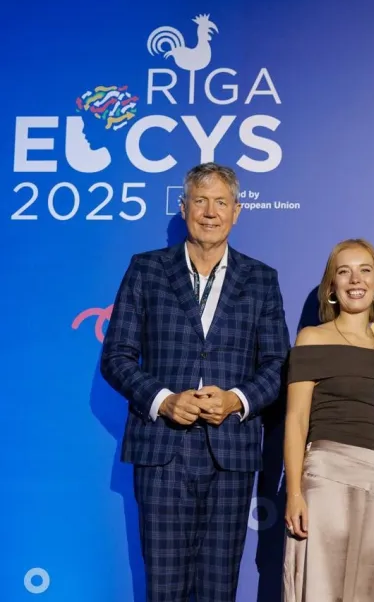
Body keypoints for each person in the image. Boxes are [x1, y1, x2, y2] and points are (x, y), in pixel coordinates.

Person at [100, 162, 290, 602]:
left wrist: (237, 399)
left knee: (219, 587)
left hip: (231, 452)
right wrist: (163, 400)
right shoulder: (146, 269)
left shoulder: (261, 279)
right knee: (164, 586)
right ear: (184, 207)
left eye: (221, 202)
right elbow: (116, 356)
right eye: (200, 201)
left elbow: (278, 364)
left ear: (236, 211)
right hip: (162, 451)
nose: (210, 212)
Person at [282, 238, 374, 602]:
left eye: (365, 270)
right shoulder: (311, 339)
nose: (356, 279)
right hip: (325, 479)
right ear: (332, 288)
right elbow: (296, 419)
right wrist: (294, 493)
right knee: (322, 587)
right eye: (344, 271)